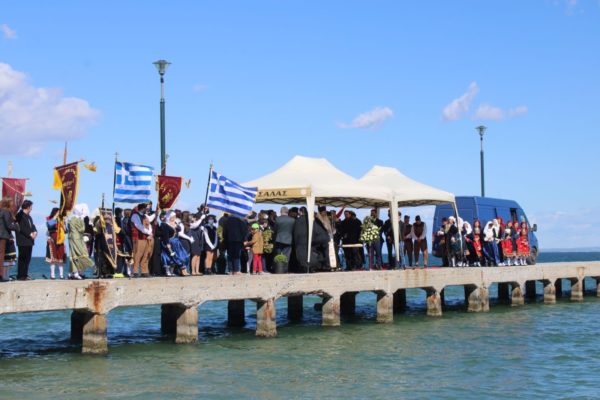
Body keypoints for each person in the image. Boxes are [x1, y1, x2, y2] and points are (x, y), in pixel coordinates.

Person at [68, 204, 95, 279]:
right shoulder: (79, 219)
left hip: (71, 239)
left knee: (73, 256)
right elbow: (82, 229)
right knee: (80, 254)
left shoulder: (70, 219)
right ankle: (78, 273)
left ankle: (72, 273)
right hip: (78, 239)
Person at [159, 211, 190, 276]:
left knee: (183, 255)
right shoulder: (165, 224)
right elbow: (165, 235)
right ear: (169, 217)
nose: (174, 218)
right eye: (173, 217)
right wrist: (167, 244)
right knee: (170, 257)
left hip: (177, 242)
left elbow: (179, 229)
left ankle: (179, 270)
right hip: (171, 242)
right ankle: (168, 271)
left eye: (175, 217)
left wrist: (176, 224)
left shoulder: (175, 223)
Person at [130, 203, 154, 277]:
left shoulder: (145, 216)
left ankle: (144, 271)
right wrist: (149, 233)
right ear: (142, 208)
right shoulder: (135, 215)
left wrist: (150, 233)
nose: (147, 210)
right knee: (138, 254)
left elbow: (149, 224)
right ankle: (135, 271)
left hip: (147, 237)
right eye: (145, 208)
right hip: (139, 238)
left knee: (146, 254)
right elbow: (139, 226)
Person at [15, 200, 37, 280]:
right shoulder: (19, 215)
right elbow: (21, 227)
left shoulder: (29, 216)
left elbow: (32, 225)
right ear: (27, 207)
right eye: (31, 207)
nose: (31, 208)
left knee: (28, 258)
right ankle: (20, 275)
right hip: (22, 240)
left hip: (29, 241)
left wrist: (35, 231)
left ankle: (25, 274)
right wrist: (30, 234)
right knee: (22, 258)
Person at [0, 197, 18, 282]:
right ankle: (0, 276)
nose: (12, 204)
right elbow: (9, 225)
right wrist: (17, 227)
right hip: (3, 236)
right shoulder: (6, 212)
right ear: (7, 203)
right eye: (11, 202)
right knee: (1, 256)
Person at [45, 207, 66, 279]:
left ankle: (61, 275)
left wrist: (64, 224)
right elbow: (49, 224)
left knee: (60, 258)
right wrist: (55, 217)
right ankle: (52, 275)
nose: (59, 214)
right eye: (58, 212)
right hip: (52, 239)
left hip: (60, 240)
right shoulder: (49, 219)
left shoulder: (61, 220)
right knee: (53, 258)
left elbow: (66, 230)